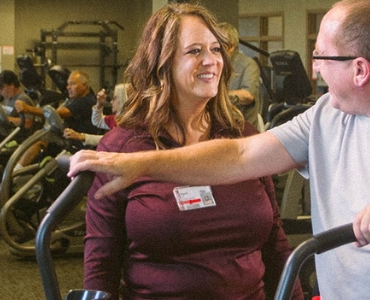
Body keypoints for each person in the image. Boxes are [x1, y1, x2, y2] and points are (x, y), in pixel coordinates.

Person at [69, 0, 370, 298]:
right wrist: (138, 164)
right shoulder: (327, 117)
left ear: (360, 70)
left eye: (321, 55)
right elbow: (236, 157)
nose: (313, 67)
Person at [79, 4, 301, 299]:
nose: (211, 61)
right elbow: (101, 259)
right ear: (162, 63)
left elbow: (276, 244)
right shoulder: (124, 148)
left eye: (215, 49)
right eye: (195, 51)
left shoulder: (244, 139)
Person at [217, 22, 265, 131]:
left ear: (231, 46)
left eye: (220, 46)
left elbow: (248, 96)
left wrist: (219, 96)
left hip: (243, 129)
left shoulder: (248, 64)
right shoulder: (215, 64)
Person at [64, 83, 128, 146]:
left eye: (114, 98)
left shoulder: (129, 124)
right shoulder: (115, 119)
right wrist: (99, 105)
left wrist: (81, 136)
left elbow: (111, 140)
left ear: (123, 100)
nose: (111, 102)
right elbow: (97, 121)